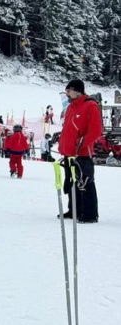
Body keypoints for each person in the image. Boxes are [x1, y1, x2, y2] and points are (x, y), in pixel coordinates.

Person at [58, 78, 101, 223]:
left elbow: (95, 130)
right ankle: (74, 209)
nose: (67, 94)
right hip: (69, 152)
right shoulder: (71, 107)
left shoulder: (90, 105)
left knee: (85, 182)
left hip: (82, 153)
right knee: (71, 181)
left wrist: (81, 142)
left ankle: (90, 214)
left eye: (69, 91)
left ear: (77, 91)